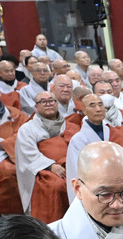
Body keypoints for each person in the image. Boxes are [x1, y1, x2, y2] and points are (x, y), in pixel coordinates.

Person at [15, 91, 81, 221]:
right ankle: (52, 223)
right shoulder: (27, 128)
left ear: (57, 104)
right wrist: (50, 165)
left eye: (51, 100)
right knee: (56, 186)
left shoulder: (70, 126)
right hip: (44, 169)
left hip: (71, 164)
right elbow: (28, 153)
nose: (48, 104)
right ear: (36, 106)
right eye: (43, 101)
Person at [0, 80, 30, 217]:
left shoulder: (13, 112)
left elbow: (25, 130)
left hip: (17, 148)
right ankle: (9, 212)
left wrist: (11, 142)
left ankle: (30, 207)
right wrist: (7, 142)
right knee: (9, 171)